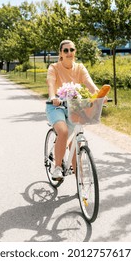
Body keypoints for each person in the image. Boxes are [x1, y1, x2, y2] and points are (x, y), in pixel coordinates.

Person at [46, 39, 99, 180]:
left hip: (74, 106)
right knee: (63, 132)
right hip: (56, 105)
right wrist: (53, 97)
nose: (69, 53)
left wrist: (99, 95)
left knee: (76, 139)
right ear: (61, 53)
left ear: (75, 51)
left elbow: (90, 84)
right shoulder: (54, 67)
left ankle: (79, 178)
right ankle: (57, 167)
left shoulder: (80, 68)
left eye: (72, 50)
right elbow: (51, 84)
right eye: (66, 50)